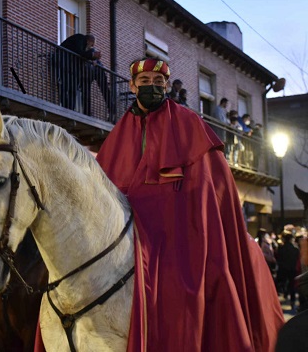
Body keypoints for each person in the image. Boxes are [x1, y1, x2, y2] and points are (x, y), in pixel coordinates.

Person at [96, 57, 283, 351]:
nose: (152, 88)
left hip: (184, 233)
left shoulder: (188, 123)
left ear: (167, 87)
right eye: (145, 82)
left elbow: (210, 186)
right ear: (132, 86)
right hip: (133, 236)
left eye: (159, 84)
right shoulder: (119, 133)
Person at [55, 33, 101, 113]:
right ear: (89, 41)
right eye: (92, 44)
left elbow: (83, 54)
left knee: (72, 89)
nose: (92, 47)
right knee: (66, 87)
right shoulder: (79, 38)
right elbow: (79, 52)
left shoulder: (84, 45)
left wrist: (93, 59)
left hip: (71, 68)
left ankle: (70, 109)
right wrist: (92, 55)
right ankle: (67, 108)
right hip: (63, 62)